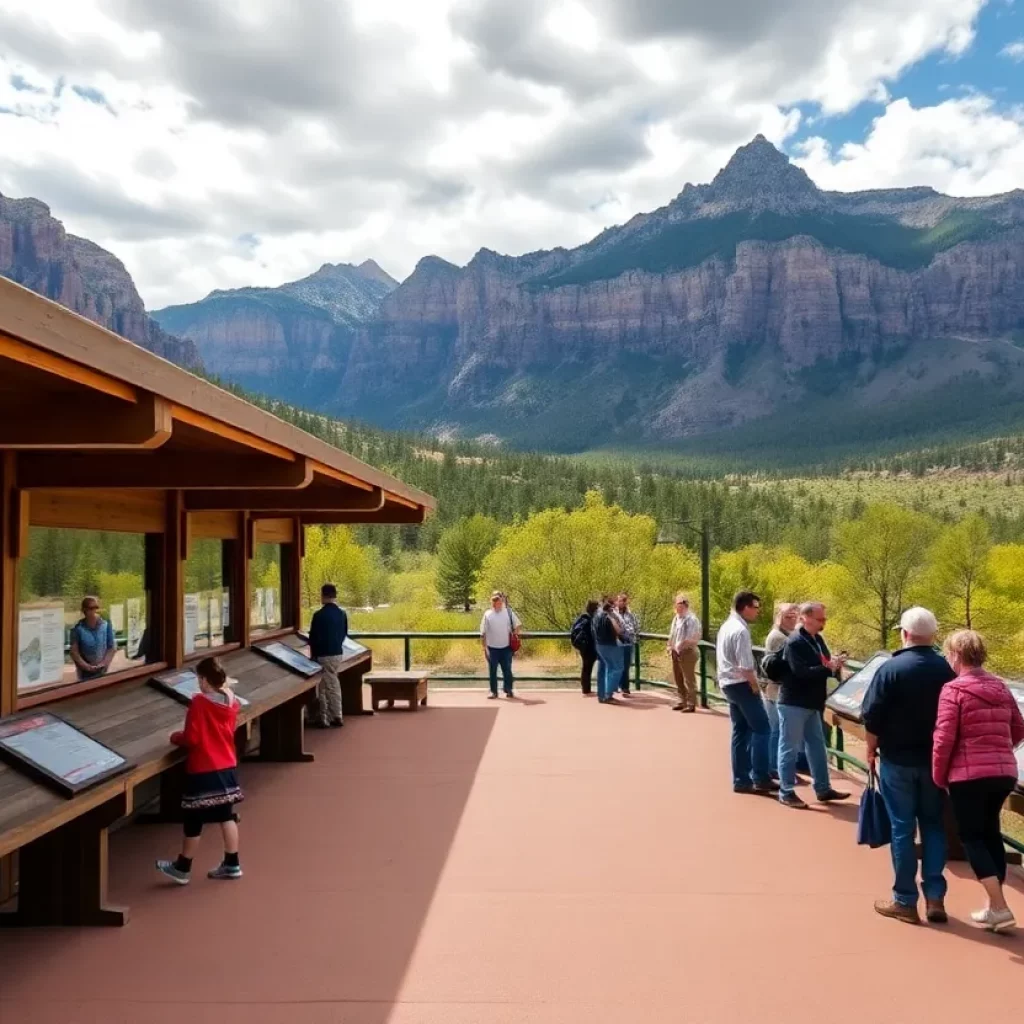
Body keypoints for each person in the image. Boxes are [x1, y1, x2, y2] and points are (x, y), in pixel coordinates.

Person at [861, 606, 954, 925]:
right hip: (935, 762)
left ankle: (904, 900)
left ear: (904, 633)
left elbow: (872, 714)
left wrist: (871, 749)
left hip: (897, 760)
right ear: (933, 636)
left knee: (902, 828)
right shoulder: (947, 669)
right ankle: (935, 897)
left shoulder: (890, 669)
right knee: (933, 825)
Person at [933, 629, 1024, 933]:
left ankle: (999, 906)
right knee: (990, 834)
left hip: (967, 775)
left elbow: (943, 738)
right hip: (1003, 773)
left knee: (971, 836)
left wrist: (939, 774)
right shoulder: (1000, 686)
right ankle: (992, 907)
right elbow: (1018, 728)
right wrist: (999, 750)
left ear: (956, 656)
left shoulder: (953, 690)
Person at [157, 657, 244, 884]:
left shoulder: (199, 703)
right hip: (226, 764)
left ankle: (183, 867)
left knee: (194, 818)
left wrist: (176, 737)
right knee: (226, 815)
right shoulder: (232, 702)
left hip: (203, 767)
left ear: (204, 680)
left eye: (199, 679)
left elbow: (193, 738)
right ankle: (232, 862)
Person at [777, 602, 850, 809]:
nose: (823, 623)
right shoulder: (794, 642)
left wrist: (834, 664)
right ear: (804, 618)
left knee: (817, 747)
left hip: (813, 702)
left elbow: (823, 663)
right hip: (793, 702)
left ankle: (823, 788)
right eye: (820, 619)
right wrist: (828, 668)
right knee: (789, 747)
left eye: (824, 619)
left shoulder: (817, 639)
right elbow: (801, 672)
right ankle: (786, 791)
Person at [716, 591, 776, 794]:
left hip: (728, 684)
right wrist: (754, 686)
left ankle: (741, 779)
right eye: (756, 607)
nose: (758, 612)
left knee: (740, 731)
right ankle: (760, 776)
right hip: (742, 684)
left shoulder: (726, 626)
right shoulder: (741, 630)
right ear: (746, 607)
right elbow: (745, 665)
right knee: (762, 729)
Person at [761, 603, 798, 776]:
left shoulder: (787, 634)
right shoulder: (778, 637)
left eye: (794, 616)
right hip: (776, 689)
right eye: (787, 616)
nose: (792, 620)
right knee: (776, 729)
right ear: (779, 617)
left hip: (779, 689)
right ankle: (773, 767)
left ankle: (775, 766)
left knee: (778, 729)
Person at [308, 582, 349, 727]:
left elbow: (313, 638)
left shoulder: (318, 615)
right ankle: (325, 716)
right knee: (325, 684)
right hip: (337, 653)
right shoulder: (342, 614)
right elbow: (344, 633)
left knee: (329, 685)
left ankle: (335, 715)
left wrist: (313, 654)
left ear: (323, 596)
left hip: (323, 654)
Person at [481, 591, 520, 699]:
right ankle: (494, 692)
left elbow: (517, 625)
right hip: (492, 648)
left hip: (506, 647)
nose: (496, 604)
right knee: (492, 671)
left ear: (501, 602)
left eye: (498, 602)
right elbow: (483, 632)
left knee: (507, 670)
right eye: (494, 603)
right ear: (492, 603)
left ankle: (508, 690)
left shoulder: (508, 612)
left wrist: (514, 635)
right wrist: (485, 648)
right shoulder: (487, 614)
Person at [69, 595, 116, 682]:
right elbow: (74, 652)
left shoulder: (105, 624)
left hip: (102, 669)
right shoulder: (78, 628)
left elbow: (111, 647)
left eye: (96, 607)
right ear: (84, 610)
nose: (94, 610)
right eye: (91, 608)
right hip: (85, 673)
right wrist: (87, 667)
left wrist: (103, 664)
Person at [667, 593, 701, 712]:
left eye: (679, 604)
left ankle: (691, 704)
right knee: (678, 677)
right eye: (676, 604)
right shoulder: (676, 618)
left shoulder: (691, 619)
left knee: (688, 678)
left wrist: (683, 644)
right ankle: (682, 700)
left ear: (685, 605)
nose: (677, 607)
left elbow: (694, 637)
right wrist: (669, 645)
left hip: (687, 652)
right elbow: (672, 634)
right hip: (676, 652)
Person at [593, 595, 624, 704]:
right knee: (616, 668)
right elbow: (619, 630)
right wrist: (612, 617)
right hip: (609, 645)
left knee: (603, 669)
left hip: (599, 645)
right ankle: (608, 695)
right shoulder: (607, 616)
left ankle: (601, 695)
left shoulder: (596, 615)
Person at [571, 600, 599, 696]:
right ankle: (586, 689)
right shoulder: (589, 620)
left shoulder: (583, 618)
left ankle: (586, 688)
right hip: (589, 647)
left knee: (586, 668)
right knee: (587, 668)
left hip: (584, 647)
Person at [616, 592, 638, 697]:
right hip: (618, 642)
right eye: (620, 600)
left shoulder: (630, 614)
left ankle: (624, 687)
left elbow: (635, 626)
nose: (622, 603)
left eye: (624, 601)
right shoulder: (614, 614)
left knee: (627, 665)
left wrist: (632, 635)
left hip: (629, 641)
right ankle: (619, 685)